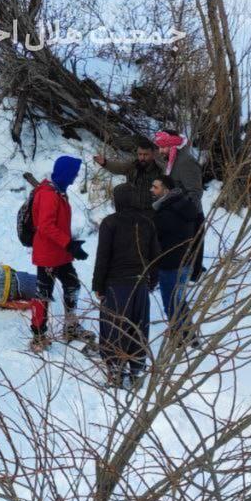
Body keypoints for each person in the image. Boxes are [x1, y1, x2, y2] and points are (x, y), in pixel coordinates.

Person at [92, 184, 159, 388]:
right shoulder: (147, 223)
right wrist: (151, 281)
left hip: (115, 286)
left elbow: (102, 257)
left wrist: (98, 285)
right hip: (139, 286)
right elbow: (156, 256)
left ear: (117, 201)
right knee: (138, 328)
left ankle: (116, 372)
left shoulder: (110, 223)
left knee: (114, 329)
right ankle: (137, 371)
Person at [29, 156, 88, 351]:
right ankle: (38, 336)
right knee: (43, 294)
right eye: (73, 174)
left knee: (72, 285)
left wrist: (70, 245)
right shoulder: (48, 194)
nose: (75, 177)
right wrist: (68, 243)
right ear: (64, 174)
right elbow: (45, 226)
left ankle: (70, 326)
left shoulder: (59, 191)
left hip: (60, 253)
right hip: (48, 254)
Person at [150, 174, 203, 348]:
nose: (152, 190)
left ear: (166, 190)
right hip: (185, 262)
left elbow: (155, 238)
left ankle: (182, 338)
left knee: (171, 304)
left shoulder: (166, 213)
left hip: (170, 265)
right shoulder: (185, 206)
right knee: (179, 300)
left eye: (155, 187)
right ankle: (188, 334)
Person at [93, 139, 162, 210]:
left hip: (149, 207)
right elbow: (119, 167)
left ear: (152, 155)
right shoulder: (134, 165)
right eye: (140, 154)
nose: (142, 158)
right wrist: (105, 163)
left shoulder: (159, 171)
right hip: (132, 203)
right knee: (120, 189)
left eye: (146, 155)